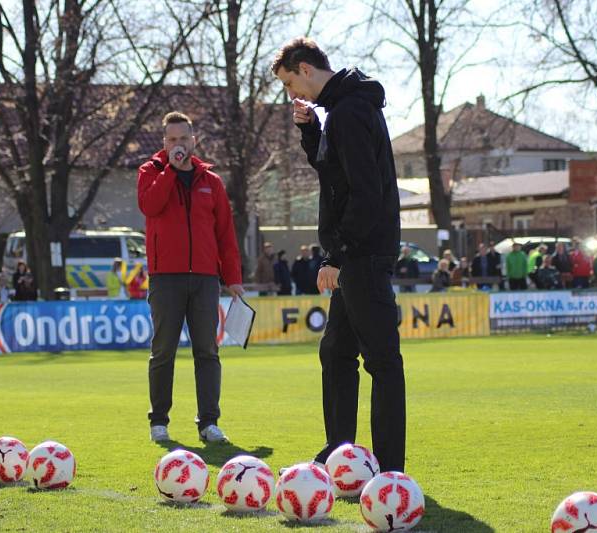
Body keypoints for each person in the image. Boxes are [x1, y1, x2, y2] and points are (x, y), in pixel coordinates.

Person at [274, 37, 405, 473]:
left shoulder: (348, 112)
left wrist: (338, 257)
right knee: (335, 351)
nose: (293, 93)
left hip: (362, 254)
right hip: (357, 252)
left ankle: (389, 469)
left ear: (306, 69)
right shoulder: (341, 110)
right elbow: (336, 175)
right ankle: (339, 452)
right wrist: (311, 131)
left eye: (291, 82)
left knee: (382, 361)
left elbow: (364, 194)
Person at [138, 111, 243, 444]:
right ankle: (159, 422)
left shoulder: (211, 181)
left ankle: (208, 423)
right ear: (163, 142)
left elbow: (225, 233)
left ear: (193, 140)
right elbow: (150, 206)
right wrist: (171, 169)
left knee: (207, 352)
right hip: (165, 278)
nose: (177, 144)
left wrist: (233, 277)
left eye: (183, 139)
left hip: (204, 279)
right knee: (163, 351)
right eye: (171, 140)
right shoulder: (150, 173)